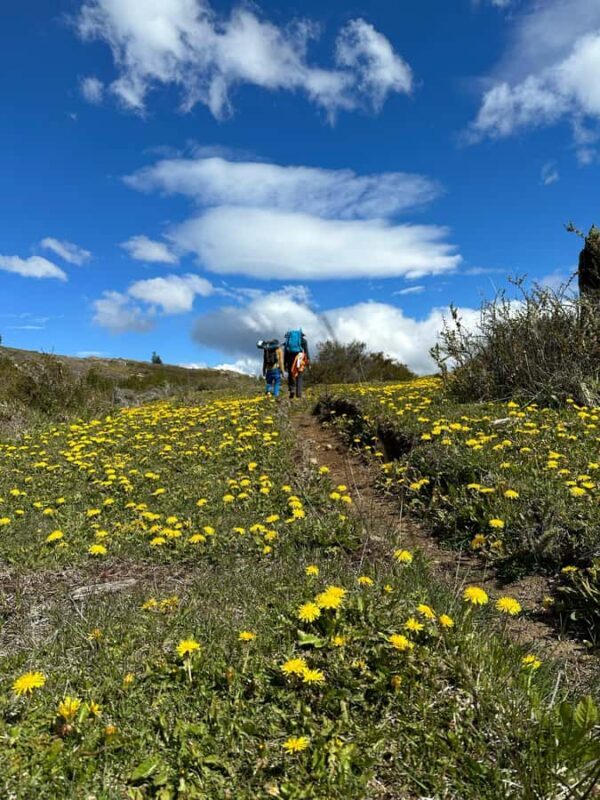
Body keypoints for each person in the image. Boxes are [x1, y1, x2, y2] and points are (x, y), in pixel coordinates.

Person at [283, 329, 309, 399]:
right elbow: (306, 352)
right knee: (299, 375)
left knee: (291, 374)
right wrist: (308, 362)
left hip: (289, 358)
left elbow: (285, 353)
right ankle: (299, 394)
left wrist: (284, 363)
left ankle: (292, 389)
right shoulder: (304, 341)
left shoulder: (287, 341)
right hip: (299, 357)